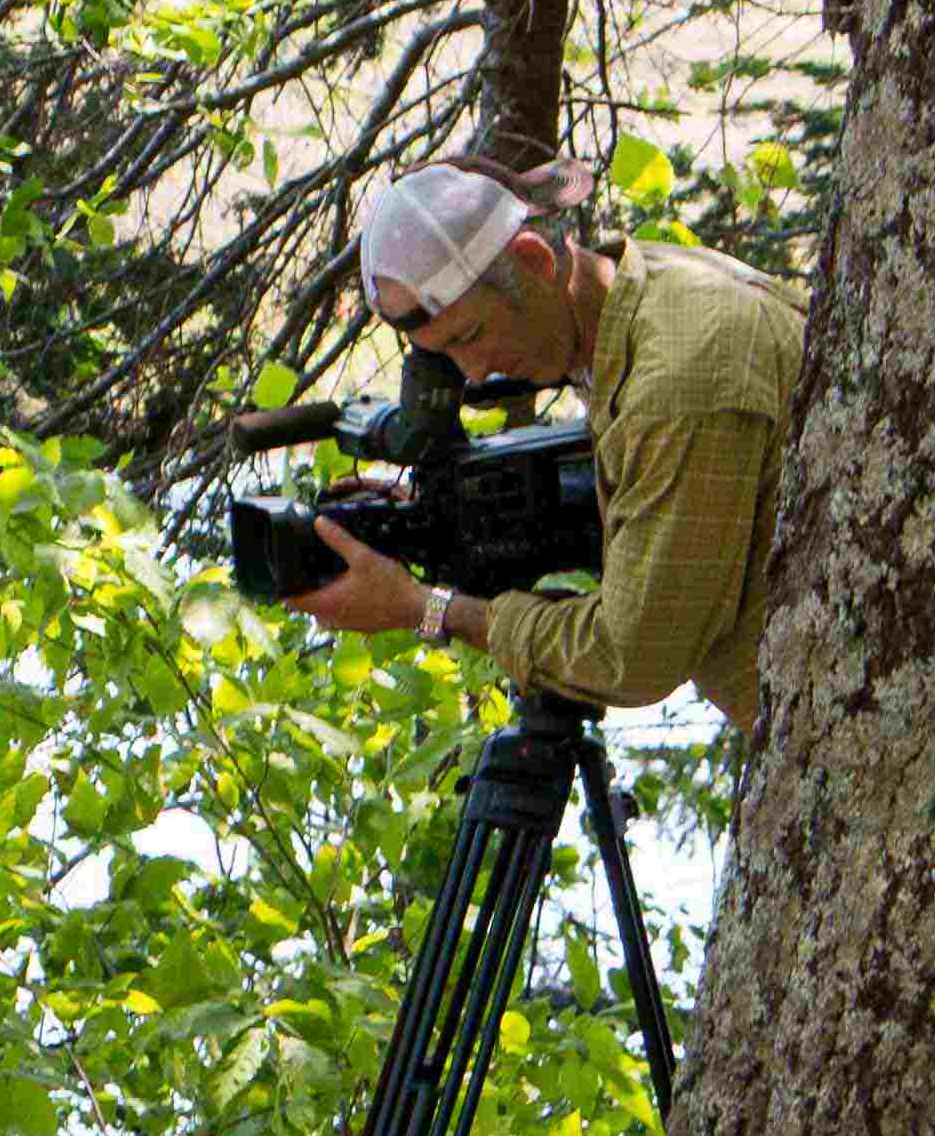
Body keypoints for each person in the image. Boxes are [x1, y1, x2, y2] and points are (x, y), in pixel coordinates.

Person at [290, 158, 807, 728]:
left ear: (533, 260)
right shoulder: (647, 289)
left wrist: (425, 609)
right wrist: (434, 512)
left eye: (473, 336)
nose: (476, 373)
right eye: (447, 354)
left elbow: (631, 658)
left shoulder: (682, 378)